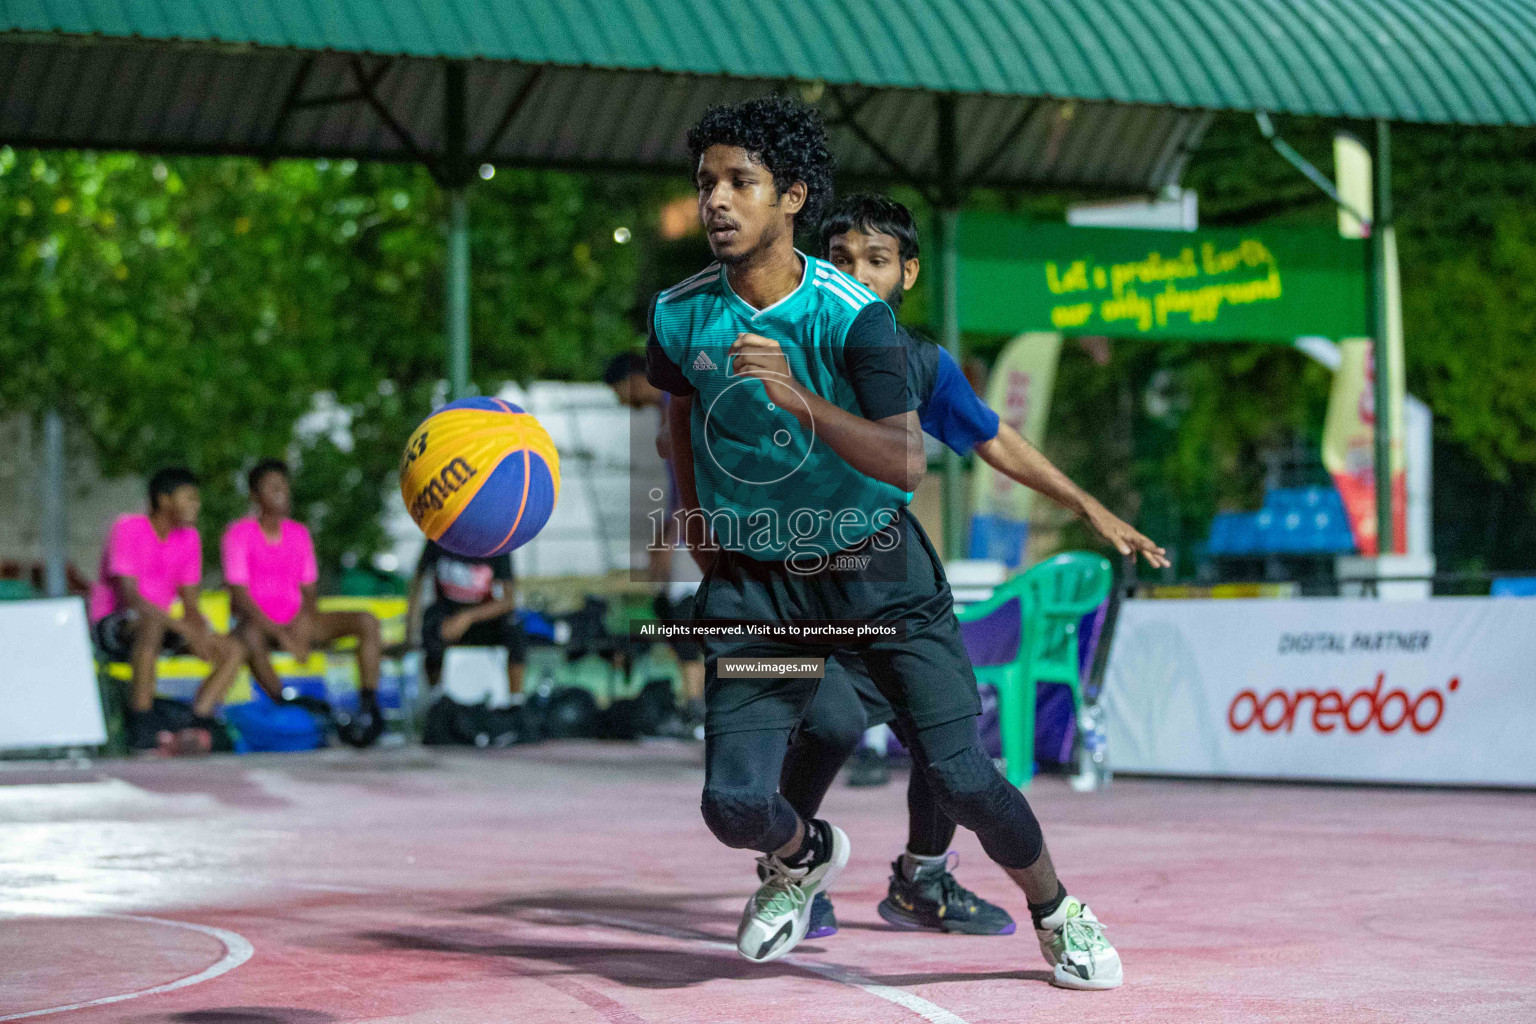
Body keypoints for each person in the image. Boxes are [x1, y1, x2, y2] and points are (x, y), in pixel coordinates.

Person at [646, 96, 1123, 988]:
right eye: (706, 182)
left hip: (879, 575)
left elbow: (907, 462)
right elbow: (678, 408)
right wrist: (698, 526)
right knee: (734, 803)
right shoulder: (678, 314)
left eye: (739, 182)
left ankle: (1058, 911)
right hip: (761, 592)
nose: (716, 199)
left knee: (963, 777)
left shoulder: (853, 319)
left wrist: (801, 399)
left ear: (790, 196)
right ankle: (805, 855)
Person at [769, 193, 1171, 940]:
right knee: (821, 729)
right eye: (843, 260)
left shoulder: (919, 363)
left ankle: (926, 881)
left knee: (948, 746)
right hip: (799, 589)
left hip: (890, 585)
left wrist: (1087, 504)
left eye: (878, 261)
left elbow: (991, 437)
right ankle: (793, 873)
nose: (858, 274)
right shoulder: (780, 352)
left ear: (908, 273)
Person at [222, 459, 385, 747]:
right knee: (248, 636)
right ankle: (285, 701)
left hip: (298, 620)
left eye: (284, 486)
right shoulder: (238, 533)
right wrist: (280, 633)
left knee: (367, 621)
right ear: (254, 495)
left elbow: (308, 590)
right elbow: (240, 595)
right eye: (272, 487)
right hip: (258, 624)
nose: (281, 492)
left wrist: (301, 624)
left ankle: (369, 707)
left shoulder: (299, 533)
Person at [90, 467, 245, 754]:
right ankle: (141, 723)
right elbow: (131, 598)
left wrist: (199, 630)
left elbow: (189, 603)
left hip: (165, 623)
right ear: (164, 500)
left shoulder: (189, 538)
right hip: (115, 624)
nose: (196, 506)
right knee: (152, 626)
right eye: (189, 498)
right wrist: (183, 628)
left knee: (232, 650)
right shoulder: (128, 527)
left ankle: (198, 718)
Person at [604, 351, 707, 732]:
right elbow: (678, 484)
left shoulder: (680, 400)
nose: (622, 404)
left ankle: (700, 701)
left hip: (711, 519)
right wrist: (664, 535)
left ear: (632, 379)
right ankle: (696, 698)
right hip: (691, 519)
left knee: (683, 607)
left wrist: (670, 536)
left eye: (620, 393)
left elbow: (695, 475)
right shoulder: (666, 408)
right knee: (670, 605)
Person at [407, 538, 524, 699]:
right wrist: (409, 632)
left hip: (482, 617)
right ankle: (436, 696)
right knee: (432, 624)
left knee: (514, 628)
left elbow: (508, 601)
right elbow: (418, 585)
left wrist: (468, 617)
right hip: (447, 614)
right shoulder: (438, 539)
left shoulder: (498, 541)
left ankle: (515, 700)